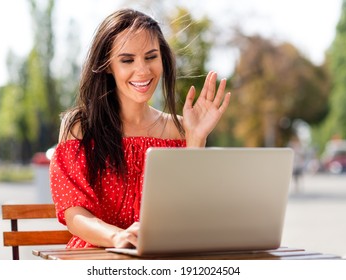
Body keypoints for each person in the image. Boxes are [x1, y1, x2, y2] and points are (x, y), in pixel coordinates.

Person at [49, 8, 231, 249]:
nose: (143, 70)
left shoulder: (179, 128)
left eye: (151, 57)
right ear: (107, 66)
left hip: (162, 256)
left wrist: (195, 139)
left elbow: (189, 210)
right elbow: (74, 213)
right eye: (127, 60)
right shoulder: (80, 126)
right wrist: (117, 237)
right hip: (98, 255)